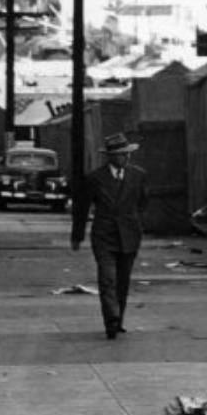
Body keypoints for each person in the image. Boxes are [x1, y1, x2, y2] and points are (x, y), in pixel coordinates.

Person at [71, 133, 148, 340]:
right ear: (110, 157)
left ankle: (119, 319)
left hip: (130, 236)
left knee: (123, 281)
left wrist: (137, 224)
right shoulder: (95, 178)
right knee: (107, 279)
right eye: (120, 154)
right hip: (104, 236)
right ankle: (111, 319)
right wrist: (77, 236)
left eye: (127, 154)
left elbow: (142, 203)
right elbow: (82, 208)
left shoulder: (138, 175)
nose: (125, 158)